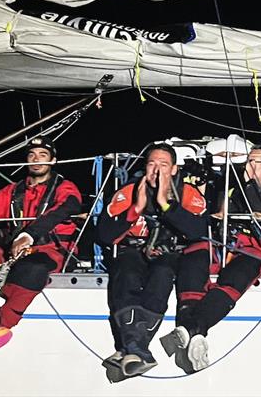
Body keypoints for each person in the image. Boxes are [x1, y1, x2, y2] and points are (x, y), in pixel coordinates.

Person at [0, 136, 82, 364]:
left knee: (32, 269)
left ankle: (2, 325)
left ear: (53, 161)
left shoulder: (65, 188)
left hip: (52, 249)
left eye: (42, 155)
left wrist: (28, 235)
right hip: (10, 251)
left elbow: (66, 207)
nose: (36, 160)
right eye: (31, 155)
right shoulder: (14, 191)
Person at [159, 144, 261, 374]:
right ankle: (194, 332)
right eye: (249, 161)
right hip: (223, 241)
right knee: (193, 258)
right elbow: (219, 210)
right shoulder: (231, 186)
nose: (249, 166)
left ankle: (188, 328)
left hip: (254, 246)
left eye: (256, 162)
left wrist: (249, 188)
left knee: (236, 277)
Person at [97, 143, 207, 380]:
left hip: (169, 254)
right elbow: (104, 234)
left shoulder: (189, 194)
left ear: (175, 169)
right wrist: (135, 208)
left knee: (162, 275)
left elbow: (198, 230)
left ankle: (131, 350)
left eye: (164, 165)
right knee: (125, 274)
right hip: (133, 250)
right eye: (151, 163)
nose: (156, 170)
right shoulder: (127, 192)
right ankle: (137, 349)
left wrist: (166, 203)